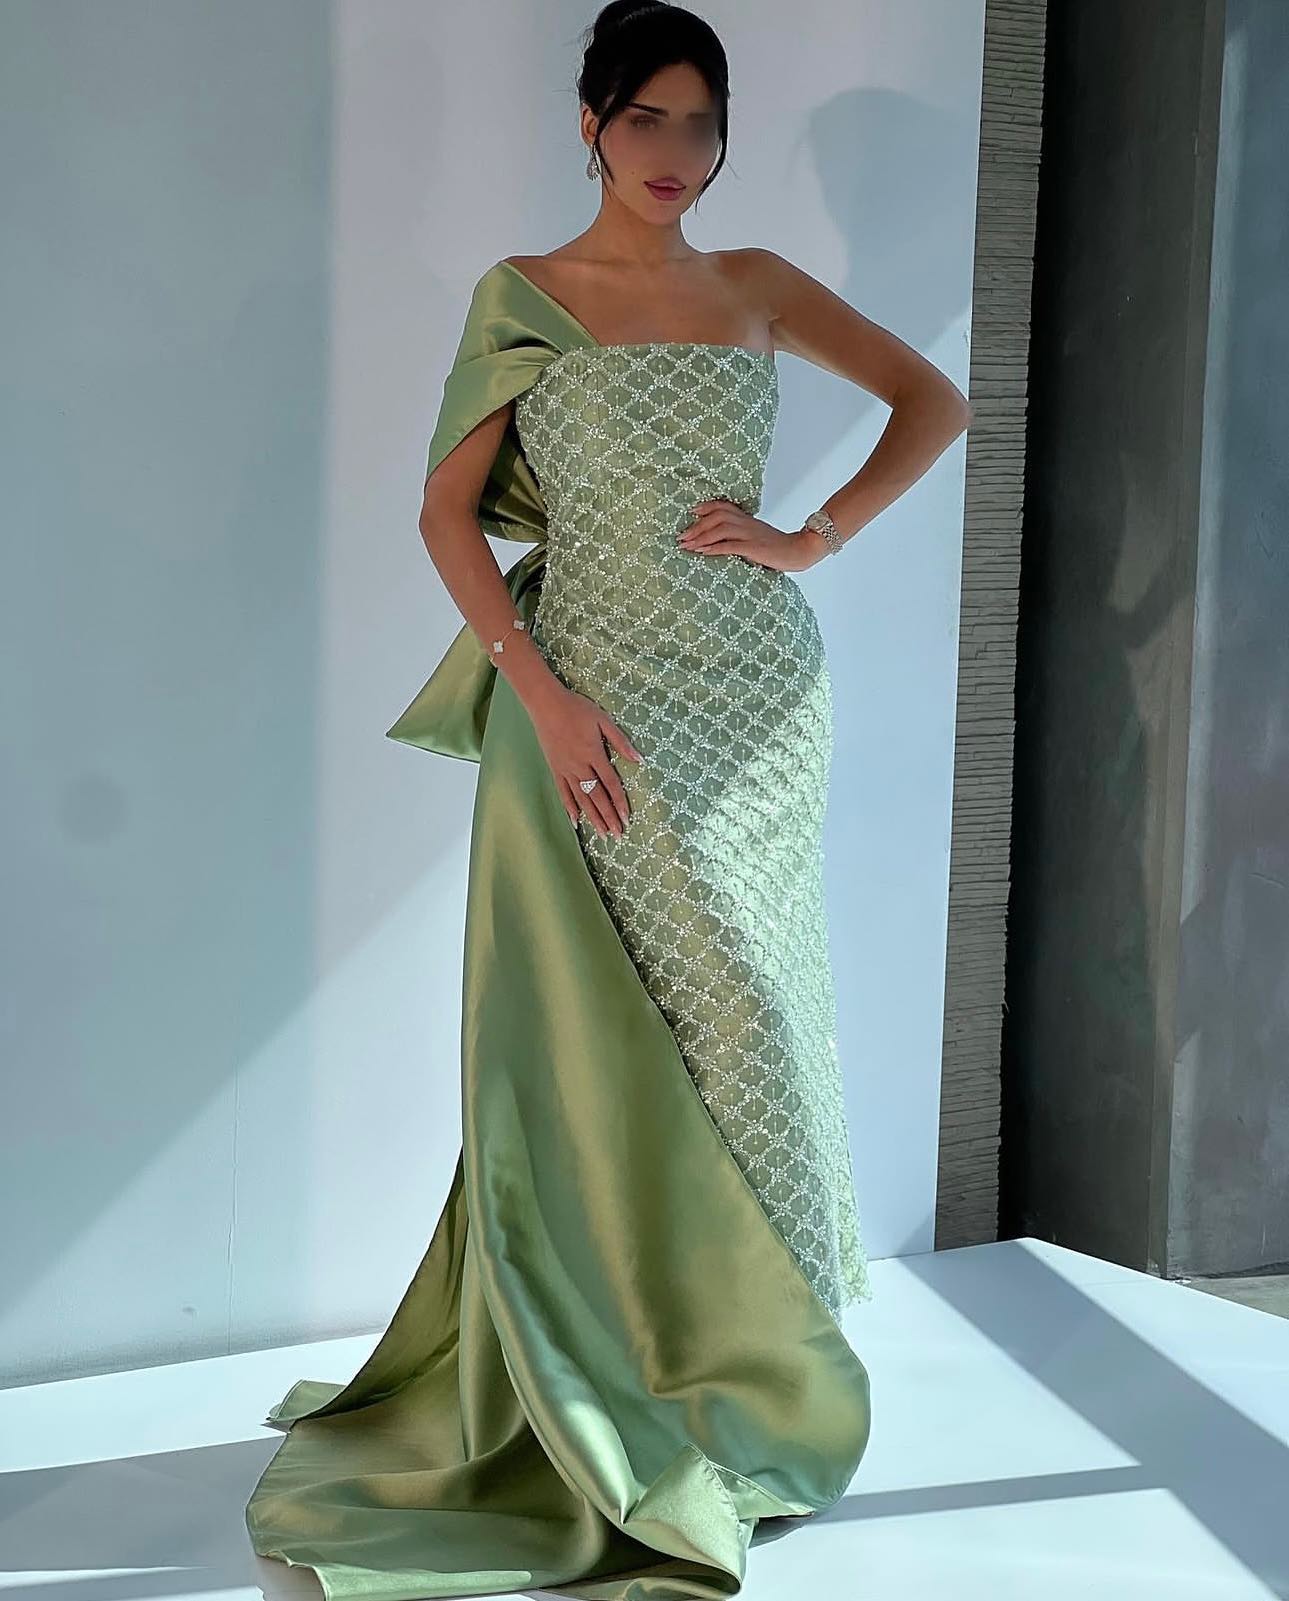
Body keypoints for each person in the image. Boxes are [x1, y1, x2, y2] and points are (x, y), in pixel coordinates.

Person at [244, 3, 972, 1597]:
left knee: (756, 1005)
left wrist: (812, 537)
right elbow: (445, 514)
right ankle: (650, 1360)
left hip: (757, 693)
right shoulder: (525, 297)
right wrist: (540, 689)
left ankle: (752, 1366)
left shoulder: (756, 285)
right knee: (665, 1009)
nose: (674, 152)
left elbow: (935, 402)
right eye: (646, 118)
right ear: (589, 123)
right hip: (599, 697)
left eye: (701, 124)